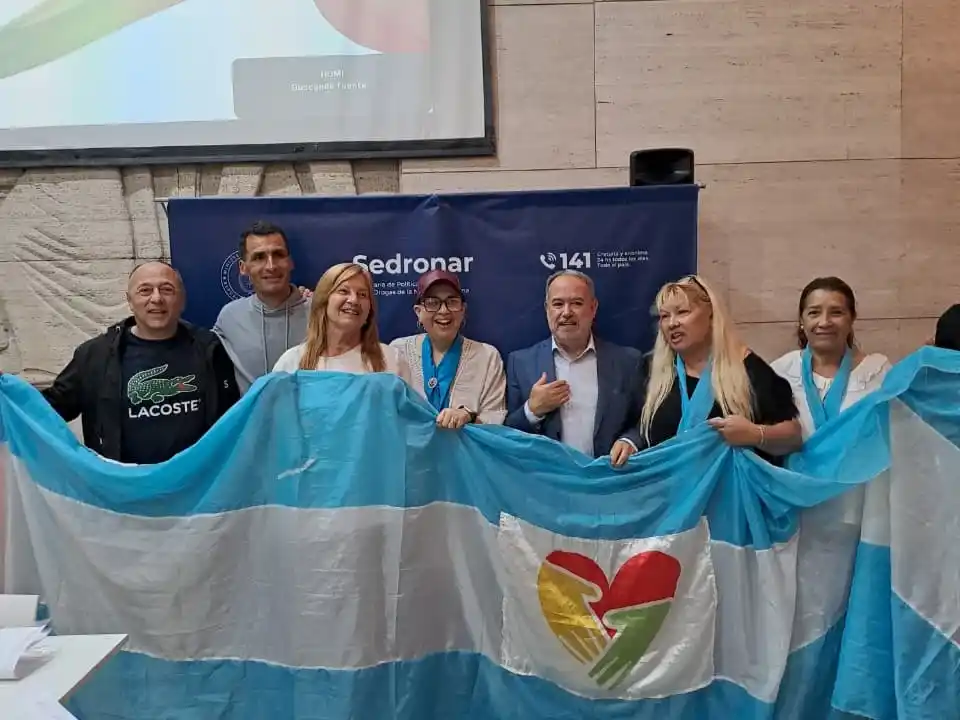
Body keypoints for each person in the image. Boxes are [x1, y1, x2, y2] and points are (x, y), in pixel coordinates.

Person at [39, 262, 240, 464]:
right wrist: (9, 397)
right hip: (125, 488)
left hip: (197, 485)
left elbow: (232, 419)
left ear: (181, 300)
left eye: (167, 290)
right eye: (145, 290)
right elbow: (50, 408)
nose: (156, 298)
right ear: (130, 300)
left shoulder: (210, 349)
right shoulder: (94, 355)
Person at [618, 274, 801, 465]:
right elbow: (639, 427)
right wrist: (629, 442)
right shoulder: (650, 370)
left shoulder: (748, 369)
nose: (672, 323)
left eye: (682, 312)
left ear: (711, 314)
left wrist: (755, 434)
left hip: (728, 491)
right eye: (665, 316)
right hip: (668, 492)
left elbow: (793, 436)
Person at [505, 270, 644, 462]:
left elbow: (644, 421)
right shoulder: (520, 364)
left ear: (593, 308)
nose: (566, 312)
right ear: (547, 309)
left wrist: (630, 441)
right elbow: (505, 434)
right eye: (558, 304)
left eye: (577, 303)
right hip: (545, 485)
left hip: (609, 481)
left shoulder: (628, 362)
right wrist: (532, 410)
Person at [771, 277, 891, 440]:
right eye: (814, 313)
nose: (825, 322)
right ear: (801, 320)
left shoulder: (877, 371)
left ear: (852, 319)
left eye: (836, 313)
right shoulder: (780, 371)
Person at [390, 270, 506, 429]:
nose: (444, 311)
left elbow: (495, 422)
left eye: (452, 301)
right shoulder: (398, 352)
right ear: (419, 312)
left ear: (462, 309)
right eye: (432, 302)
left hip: (467, 453)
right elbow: (388, 414)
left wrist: (467, 417)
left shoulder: (488, 357)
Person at [214, 221, 310, 394]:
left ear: (290, 262)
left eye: (278, 254)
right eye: (259, 257)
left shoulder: (321, 312)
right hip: (253, 420)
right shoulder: (229, 317)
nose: (271, 266)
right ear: (243, 268)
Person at [273, 262, 406, 376]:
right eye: (343, 291)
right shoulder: (291, 362)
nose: (354, 300)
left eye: (362, 294)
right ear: (323, 301)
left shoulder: (392, 360)